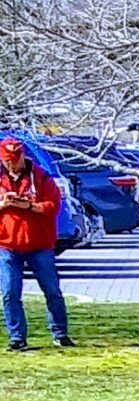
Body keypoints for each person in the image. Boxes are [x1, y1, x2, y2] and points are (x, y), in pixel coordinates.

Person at [0, 139, 69, 352]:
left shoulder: (41, 177)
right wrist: (4, 203)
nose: (13, 164)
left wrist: (29, 206)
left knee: (52, 291)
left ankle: (60, 334)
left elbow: (53, 206)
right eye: (8, 161)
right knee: (10, 292)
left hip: (39, 244)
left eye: (16, 160)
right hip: (7, 245)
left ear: (23, 156)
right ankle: (17, 337)